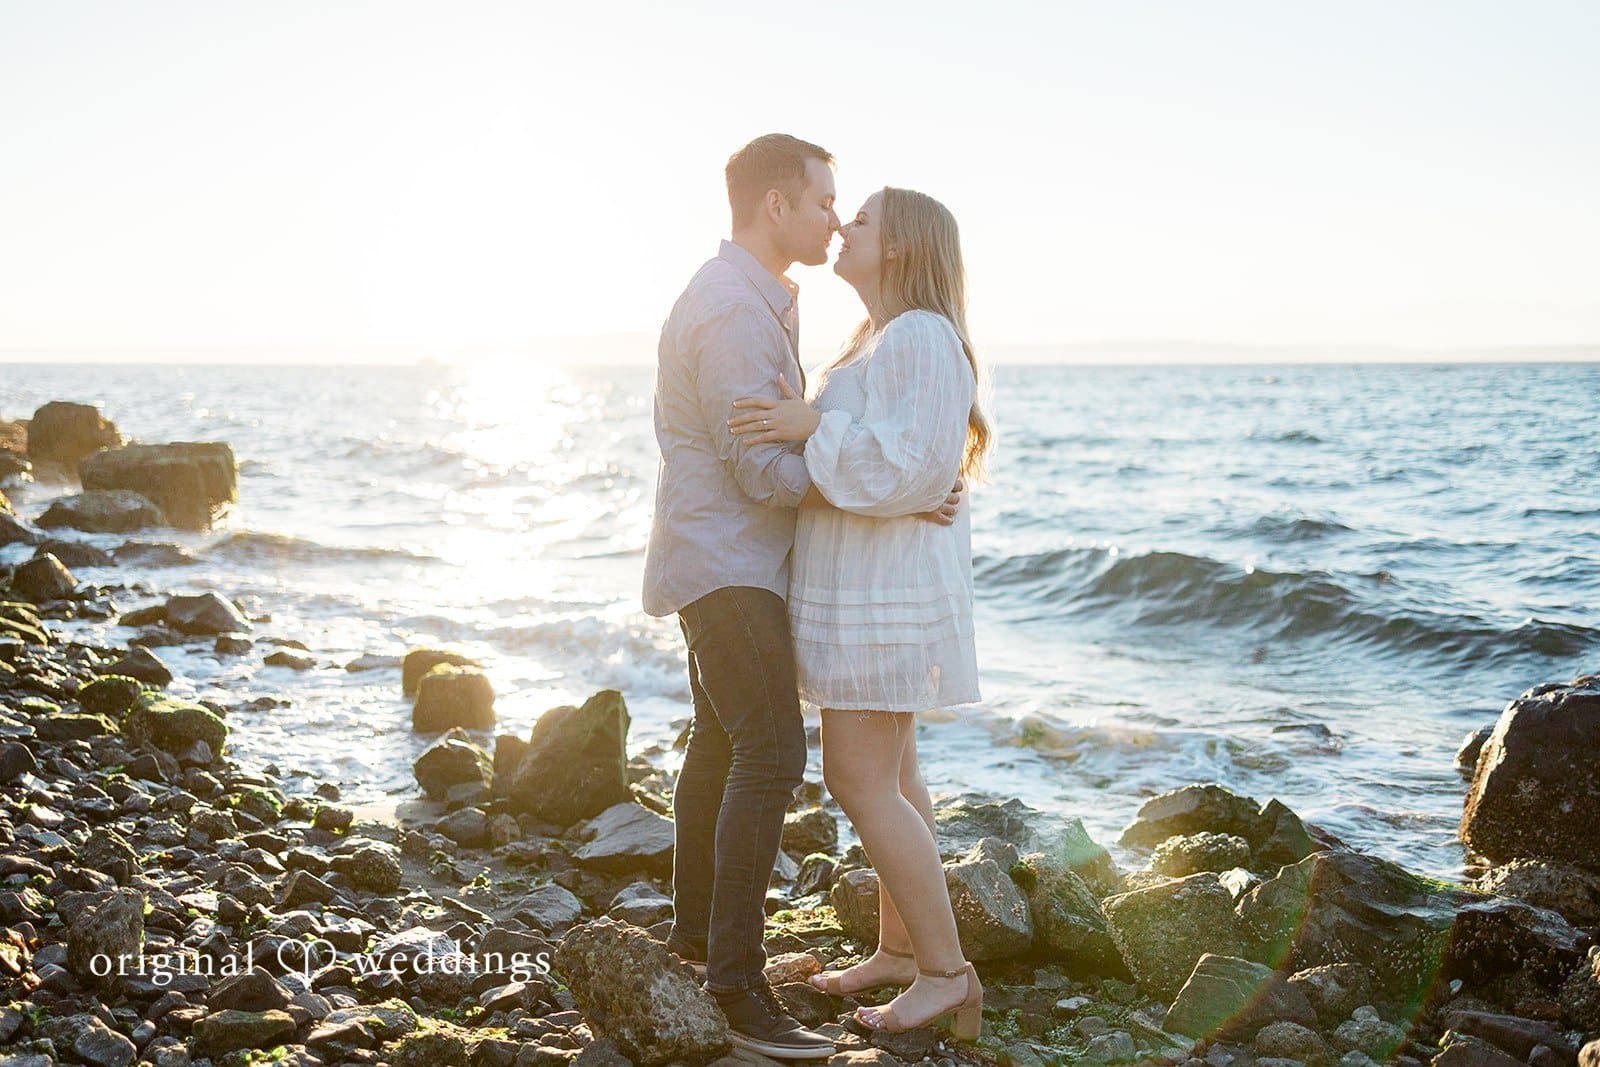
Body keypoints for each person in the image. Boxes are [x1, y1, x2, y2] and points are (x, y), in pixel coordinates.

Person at [727, 185, 992, 1039]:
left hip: (889, 598)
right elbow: (914, 465)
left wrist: (810, 426)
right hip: (866, 591)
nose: (844, 226)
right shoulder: (877, 339)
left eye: (865, 219)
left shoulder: (919, 335)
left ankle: (950, 973)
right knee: (896, 776)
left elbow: (913, 469)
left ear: (905, 247)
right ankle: (903, 952)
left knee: (859, 778)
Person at [640, 132, 841, 1060]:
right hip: (725, 563)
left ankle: (695, 941)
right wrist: (876, 472)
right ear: (775, 204)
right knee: (771, 749)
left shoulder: (756, 300)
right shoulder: (729, 309)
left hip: (724, 557)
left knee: (721, 745)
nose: (835, 218)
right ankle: (735, 983)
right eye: (822, 200)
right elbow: (760, 466)